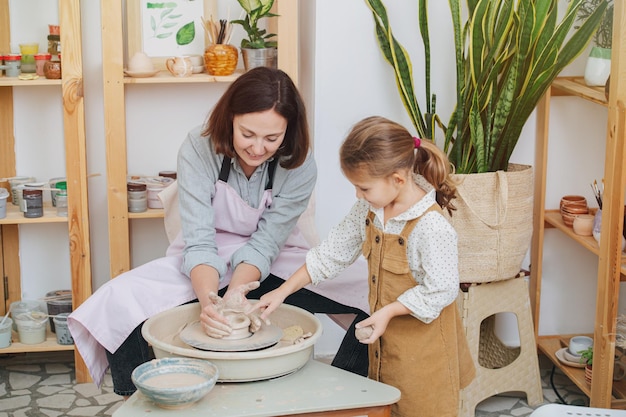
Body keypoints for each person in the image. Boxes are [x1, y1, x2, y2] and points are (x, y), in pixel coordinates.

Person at [68, 67, 369, 397]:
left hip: (278, 254)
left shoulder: (299, 162)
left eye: (272, 138)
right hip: (206, 254)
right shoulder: (199, 147)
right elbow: (198, 239)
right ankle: (143, 402)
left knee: (373, 289)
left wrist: (236, 294)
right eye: (247, 134)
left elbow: (267, 242)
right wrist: (212, 303)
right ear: (230, 118)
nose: (257, 148)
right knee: (120, 299)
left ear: (289, 131)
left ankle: (346, 393)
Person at [251, 116, 476, 417]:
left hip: (425, 355)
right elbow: (332, 252)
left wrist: (388, 311)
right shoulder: (369, 209)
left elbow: (442, 290)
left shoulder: (431, 227)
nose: (358, 195)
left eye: (364, 188)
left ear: (397, 179)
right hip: (386, 345)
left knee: (417, 409)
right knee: (382, 404)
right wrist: (281, 292)